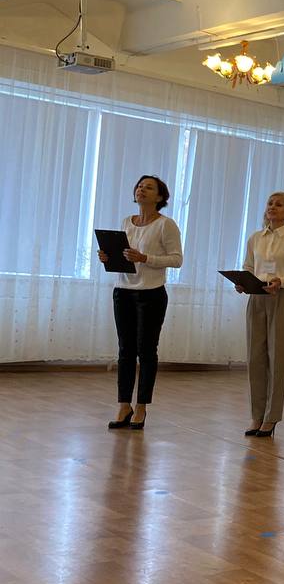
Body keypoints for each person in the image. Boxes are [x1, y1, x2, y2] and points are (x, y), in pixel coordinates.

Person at [99, 175, 183, 430]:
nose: (141, 190)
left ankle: (142, 406)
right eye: (139, 186)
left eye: (148, 187)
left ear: (160, 197)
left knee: (146, 351)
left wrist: (145, 257)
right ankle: (124, 405)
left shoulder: (166, 225)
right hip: (123, 291)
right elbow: (124, 257)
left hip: (151, 294)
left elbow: (176, 259)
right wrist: (108, 257)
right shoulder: (127, 221)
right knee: (125, 350)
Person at [238, 192, 284, 437]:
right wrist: (242, 282)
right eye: (270, 203)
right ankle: (256, 414)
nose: (272, 207)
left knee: (277, 360)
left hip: (282, 298)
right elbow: (249, 266)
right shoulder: (255, 238)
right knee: (255, 358)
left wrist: (283, 281)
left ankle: (272, 417)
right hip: (256, 298)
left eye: (279, 205)